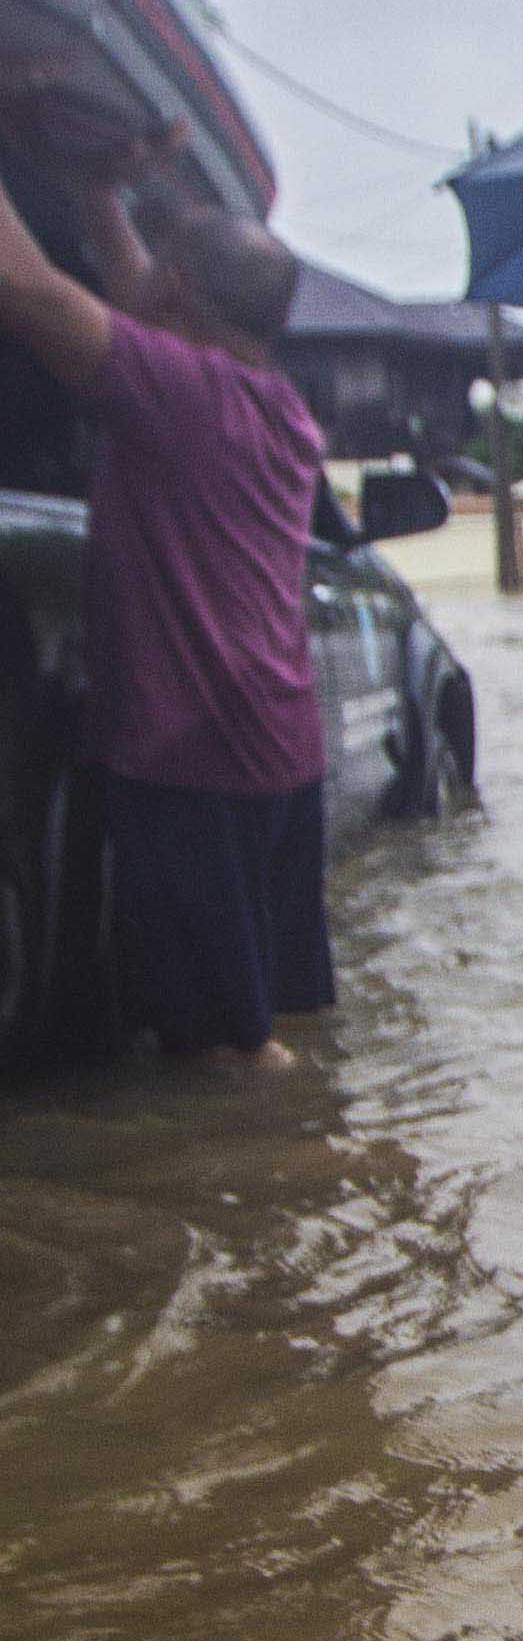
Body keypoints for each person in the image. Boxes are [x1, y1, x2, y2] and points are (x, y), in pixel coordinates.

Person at [0, 67, 326, 1069]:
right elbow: (128, 297)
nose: (127, 269)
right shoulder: (276, 409)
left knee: (222, 1060)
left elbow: (26, 289)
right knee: (266, 1030)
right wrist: (98, 189)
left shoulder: (179, 395)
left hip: (192, 762)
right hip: (278, 753)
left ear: (173, 294)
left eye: (152, 265)